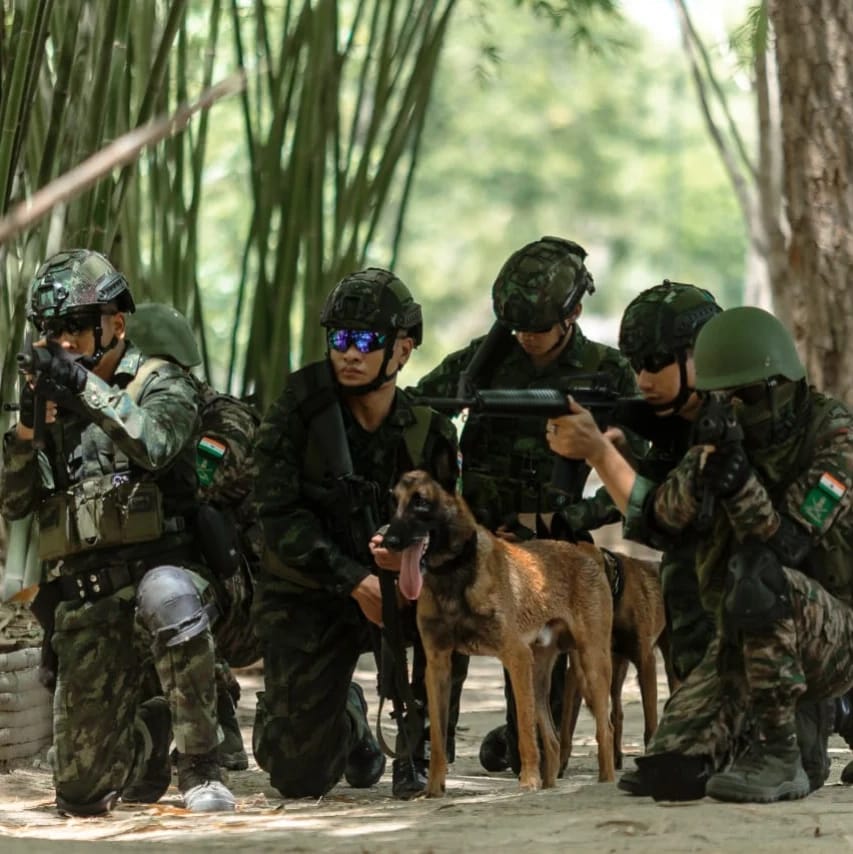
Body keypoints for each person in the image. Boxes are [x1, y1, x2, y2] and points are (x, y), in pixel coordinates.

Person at [562, 305, 852, 803]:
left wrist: (739, 484)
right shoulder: (722, 442)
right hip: (748, 639)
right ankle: (759, 739)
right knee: (671, 770)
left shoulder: (834, 433)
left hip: (835, 637)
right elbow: (660, 521)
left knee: (759, 575)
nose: (734, 409)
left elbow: (785, 547)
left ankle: (783, 753)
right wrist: (616, 457)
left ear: (779, 384)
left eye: (743, 396)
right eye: (722, 398)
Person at [0, 249, 235, 814]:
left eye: (77, 326)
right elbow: (15, 503)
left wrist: (83, 388)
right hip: (91, 601)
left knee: (167, 595)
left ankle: (202, 766)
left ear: (115, 324)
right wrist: (29, 428)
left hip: (176, 581)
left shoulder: (161, 381)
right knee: (80, 793)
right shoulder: (53, 403)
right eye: (52, 330)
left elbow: (154, 443)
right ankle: (151, 735)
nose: (65, 340)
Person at [413, 235, 640, 775]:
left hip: (551, 551)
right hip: (475, 541)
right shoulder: (482, 361)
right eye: (516, 328)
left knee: (540, 731)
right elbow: (417, 410)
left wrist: (568, 522)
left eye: (536, 329)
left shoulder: (606, 372)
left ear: (574, 313)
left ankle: (526, 736)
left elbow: (635, 485)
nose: (525, 339)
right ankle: (425, 746)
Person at [251, 267, 465, 800]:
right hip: (315, 590)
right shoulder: (299, 412)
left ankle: (419, 740)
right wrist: (354, 580)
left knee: (457, 604)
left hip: (402, 591)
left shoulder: (428, 432)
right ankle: (347, 715)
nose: (349, 352)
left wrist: (412, 561)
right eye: (338, 339)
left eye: (365, 340)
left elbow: (455, 533)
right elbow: (275, 514)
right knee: (296, 776)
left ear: (402, 350)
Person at [547, 280, 721, 684]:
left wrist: (598, 452)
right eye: (635, 363)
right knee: (675, 750)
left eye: (657, 362)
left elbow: (664, 523)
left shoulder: (735, 423)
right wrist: (620, 454)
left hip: (779, 639)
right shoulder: (678, 423)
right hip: (713, 646)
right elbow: (655, 498)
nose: (642, 380)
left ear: (705, 353)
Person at [125, 302, 264, 772]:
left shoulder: (225, 420)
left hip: (239, 597)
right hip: (180, 585)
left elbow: (201, 480)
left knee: (169, 587)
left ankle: (216, 709)